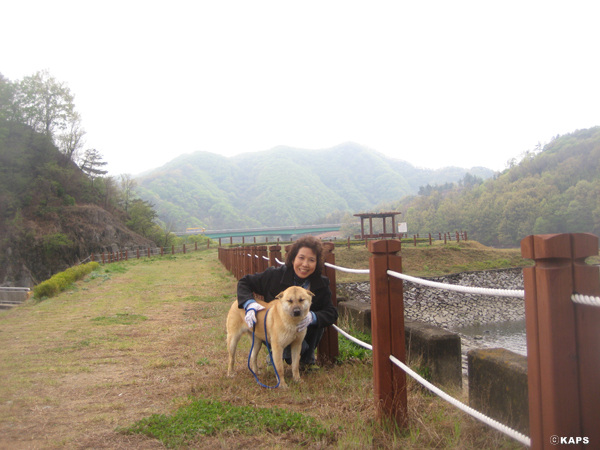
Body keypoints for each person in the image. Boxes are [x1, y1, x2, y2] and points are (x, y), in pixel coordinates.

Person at [237, 236, 338, 367]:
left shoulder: (321, 283)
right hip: (275, 332)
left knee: (319, 321)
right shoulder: (274, 275)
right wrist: (249, 304)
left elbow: (331, 312)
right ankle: (278, 353)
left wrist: (312, 317)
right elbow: (244, 282)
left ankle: (305, 359)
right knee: (286, 349)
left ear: (317, 263)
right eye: (301, 258)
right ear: (293, 258)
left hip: (304, 333)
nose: (305, 264)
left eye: (311, 260)